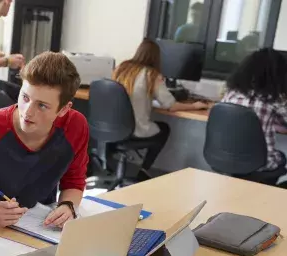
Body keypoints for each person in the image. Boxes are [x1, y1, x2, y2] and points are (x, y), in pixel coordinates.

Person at [0, 51, 87, 229]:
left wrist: (68, 206)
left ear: (63, 110)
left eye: (42, 105)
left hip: (40, 223)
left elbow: (74, 182)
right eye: (25, 97)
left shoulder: (75, 125)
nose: (28, 112)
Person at [112, 39, 209, 180]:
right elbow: (171, 105)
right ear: (157, 57)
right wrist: (194, 106)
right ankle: (144, 170)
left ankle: (110, 164)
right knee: (164, 129)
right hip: (135, 130)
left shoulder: (122, 68)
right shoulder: (152, 75)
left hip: (114, 128)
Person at [221, 48, 287, 173]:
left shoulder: (231, 94)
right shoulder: (273, 99)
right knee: (281, 157)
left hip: (224, 158)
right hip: (259, 164)